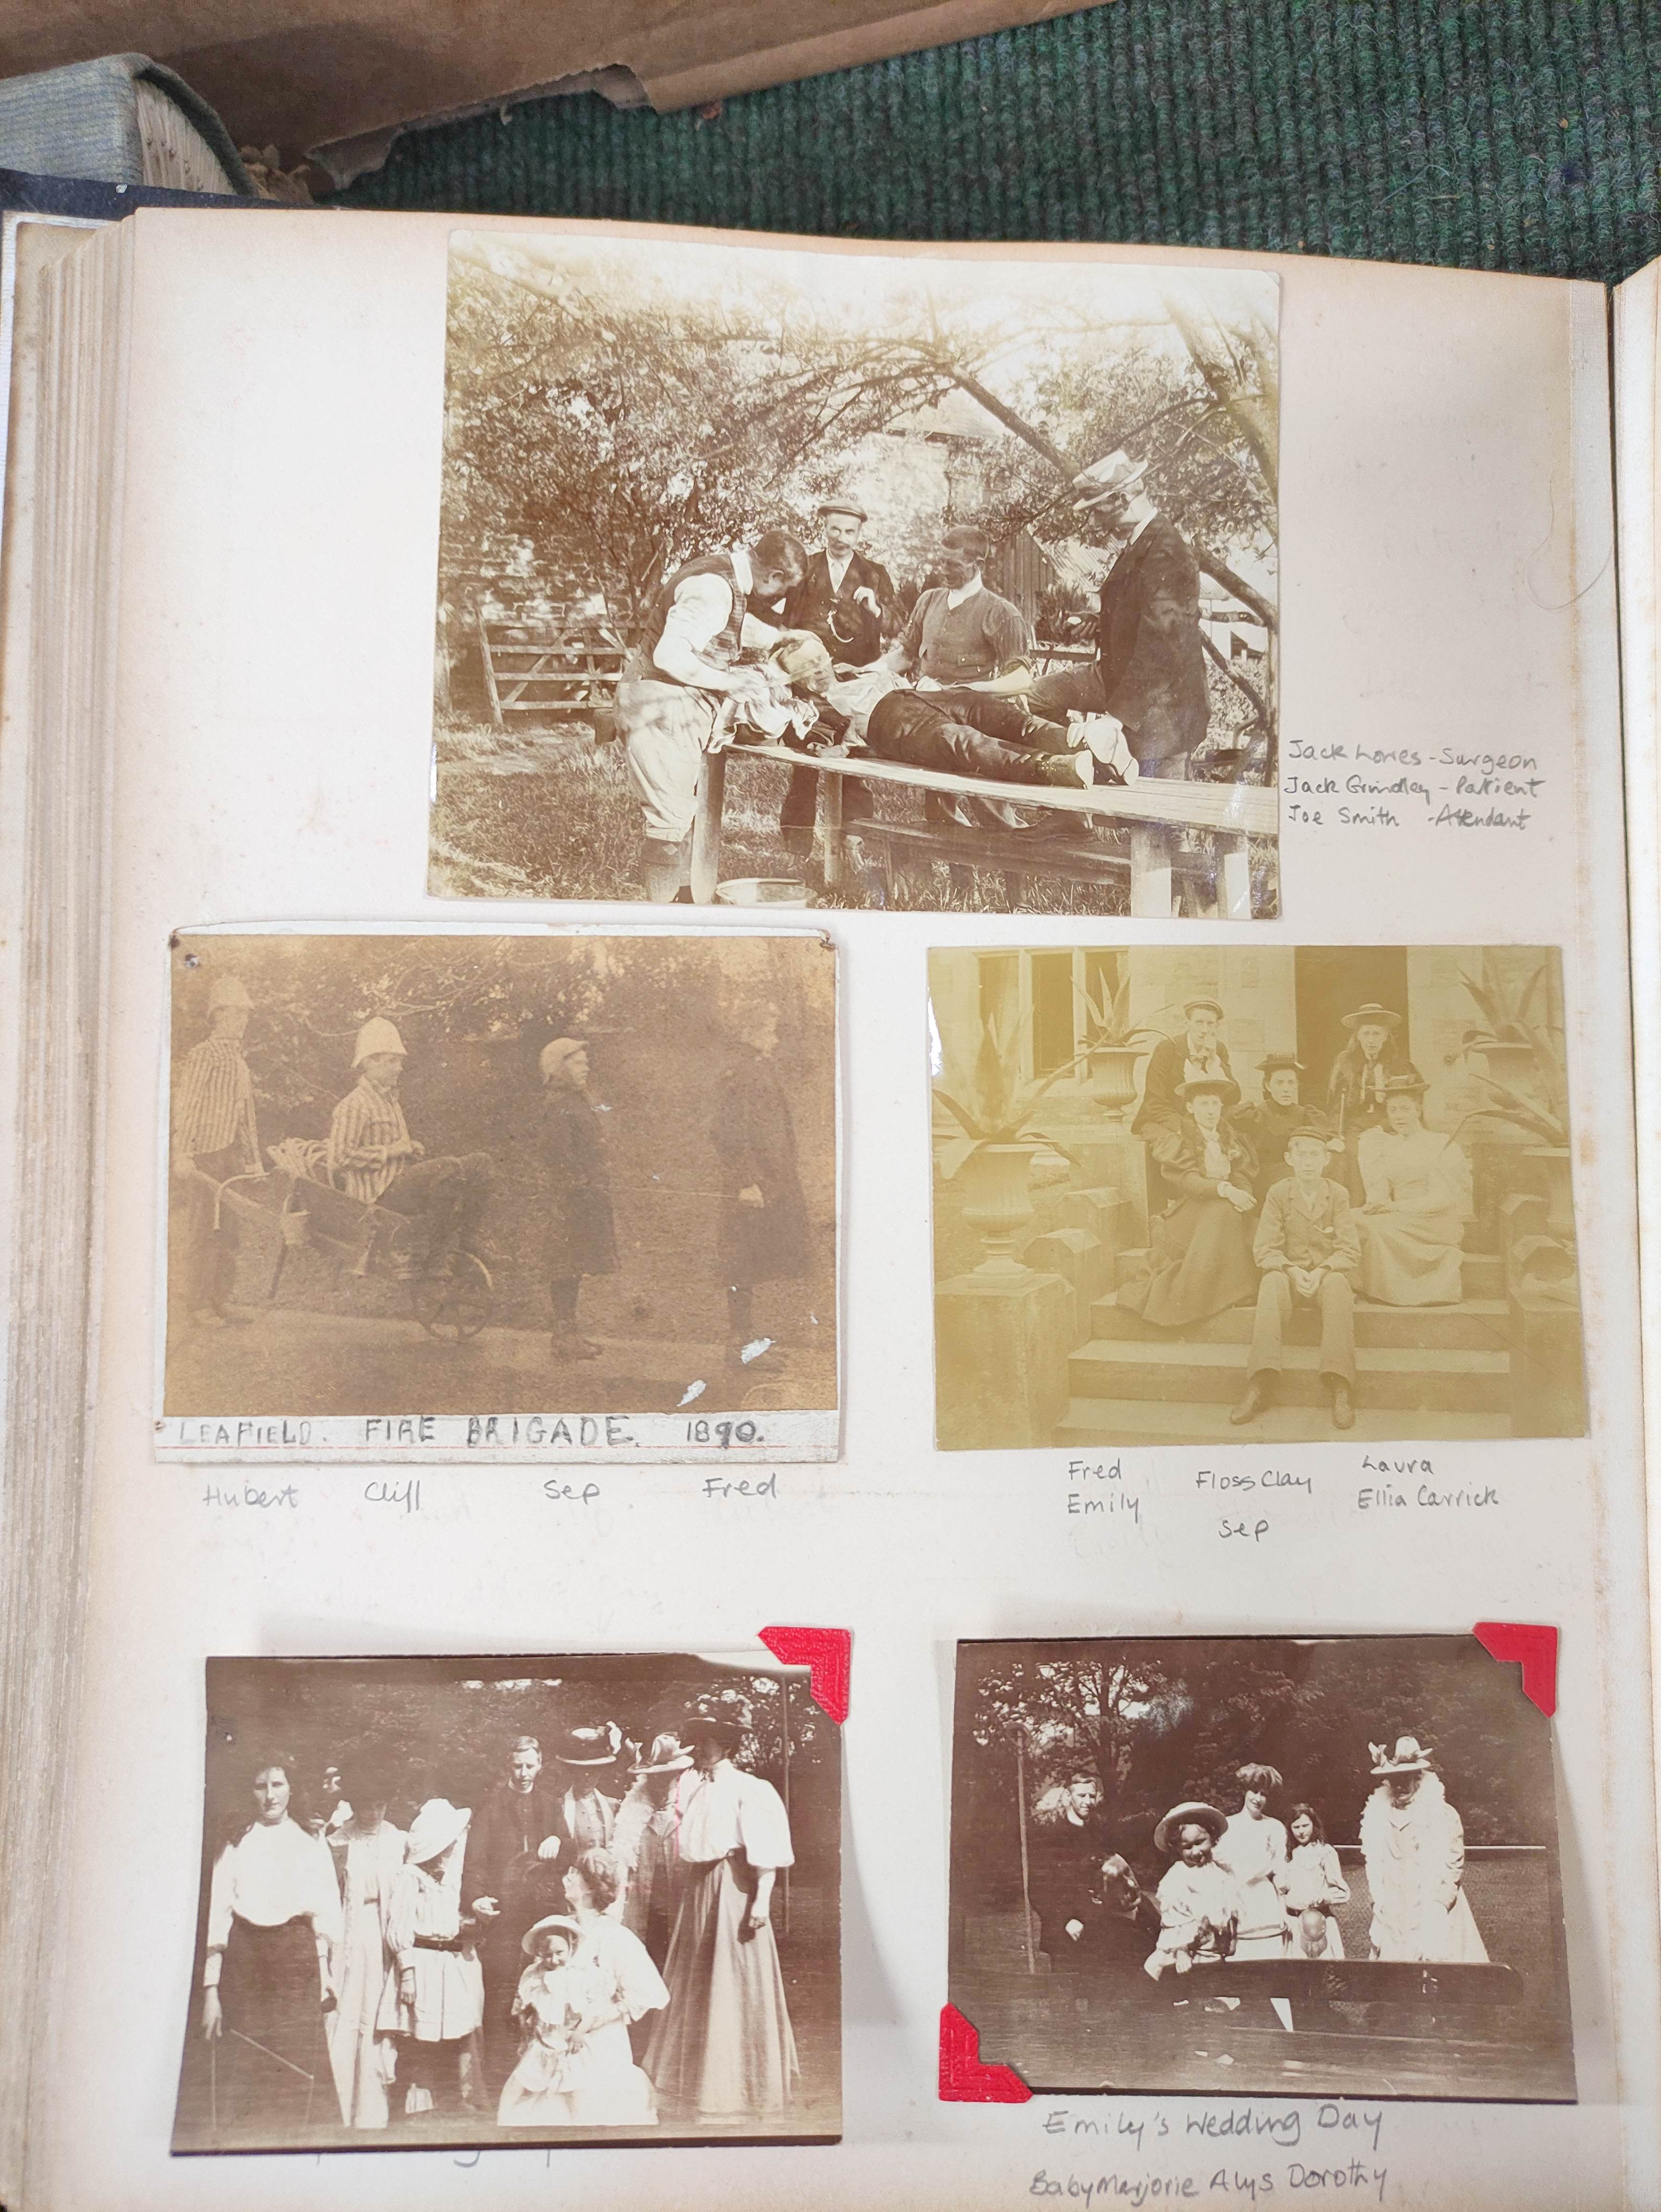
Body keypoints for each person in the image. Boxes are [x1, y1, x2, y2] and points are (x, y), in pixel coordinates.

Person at [616, 529, 809, 902]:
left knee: (680, 812)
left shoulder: (728, 579)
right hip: (661, 702)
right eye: (785, 590)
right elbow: (670, 655)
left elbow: (728, 623)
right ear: (775, 577)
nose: (782, 599)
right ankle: (662, 919)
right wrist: (727, 683)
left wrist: (778, 638)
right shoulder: (713, 587)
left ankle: (685, 901)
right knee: (668, 821)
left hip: (676, 701)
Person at [643, 1696, 799, 2123]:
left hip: (733, 1888)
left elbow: (765, 1854)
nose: (708, 1747)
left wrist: (762, 1901)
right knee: (698, 1980)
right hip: (699, 1891)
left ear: (729, 1744)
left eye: (717, 1740)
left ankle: (739, 2085)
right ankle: (695, 2083)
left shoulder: (751, 1788)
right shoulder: (694, 1789)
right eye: (703, 1740)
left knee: (733, 1981)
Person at [1027, 448, 1211, 780]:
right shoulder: (1141, 543)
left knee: (1155, 827)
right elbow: (1140, 615)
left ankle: (1095, 759)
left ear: (1124, 498)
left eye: (1098, 511)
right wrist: (1098, 622)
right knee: (1039, 696)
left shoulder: (1168, 552)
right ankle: (1079, 769)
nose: (1095, 521)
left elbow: (1160, 647)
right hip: (1121, 680)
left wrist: (1114, 720)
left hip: (1163, 708)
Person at [199, 1756, 342, 2137]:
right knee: (246, 2065)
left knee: (298, 2063)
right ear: (250, 1792)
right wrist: (211, 1992)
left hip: (296, 1962)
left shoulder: (310, 1839)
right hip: (246, 1963)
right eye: (260, 1786)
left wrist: (326, 1973)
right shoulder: (236, 1840)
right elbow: (219, 1917)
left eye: (277, 1785)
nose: (269, 1796)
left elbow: (325, 1913)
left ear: (292, 1788)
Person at [778, 498, 902, 853]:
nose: (841, 538)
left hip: (855, 683)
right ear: (824, 528)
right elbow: (788, 622)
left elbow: (899, 626)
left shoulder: (874, 573)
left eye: (850, 531)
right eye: (835, 529)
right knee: (804, 761)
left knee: (852, 761)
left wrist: (876, 607)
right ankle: (797, 846)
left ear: (860, 532)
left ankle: (854, 841)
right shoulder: (808, 568)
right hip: (810, 683)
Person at [326, 1018, 492, 1278]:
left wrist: (409, 1148)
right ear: (369, 1062)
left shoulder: (390, 1101)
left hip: (400, 1186)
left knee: (482, 1163)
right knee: (448, 1168)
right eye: (392, 1061)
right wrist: (391, 1151)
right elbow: (338, 1157)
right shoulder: (354, 1105)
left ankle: (464, 1240)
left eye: (399, 1061)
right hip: (379, 1197)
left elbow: (398, 1148)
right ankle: (435, 1257)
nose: (400, 1068)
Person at [1230, 1118, 1362, 1431]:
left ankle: (1340, 1384)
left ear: (1327, 1160)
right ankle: (1260, 1381)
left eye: (1315, 1155)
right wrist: (1289, 1269)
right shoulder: (1279, 1193)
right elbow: (1264, 1248)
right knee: (1271, 1282)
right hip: (1290, 1277)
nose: (1308, 1162)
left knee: (1339, 1285)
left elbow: (1350, 1250)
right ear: (1289, 1159)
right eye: (1301, 1155)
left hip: (1324, 1275)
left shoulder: (1338, 1194)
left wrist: (1323, 1270)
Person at [465, 1736, 576, 2090]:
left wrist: (560, 1842)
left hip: (543, 1913)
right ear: (507, 1766)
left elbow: (571, 1851)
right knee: (501, 1992)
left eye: (530, 1765)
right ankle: (501, 2080)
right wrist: (475, 1901)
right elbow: (474, 1863)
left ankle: (550, 2076)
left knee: (548, 1988)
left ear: (540, 1764)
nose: (524, 1773)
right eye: (517, 1766)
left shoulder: (550, 1804)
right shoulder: (491, 1805)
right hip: (504, 1915)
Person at [712, 999, 812, 1360]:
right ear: (750, 1033)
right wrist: (744, 1182)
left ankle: (747, 1340)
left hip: (770, 1180)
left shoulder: (759, 1069)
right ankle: (739, 1344)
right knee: (741, 1260)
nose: (775, 1040)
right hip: (750, 1185)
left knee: (753, 1261)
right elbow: (726, 1132)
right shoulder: (738, 1073)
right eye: (770, 1031)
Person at [1118, 1076, 1258, 1327]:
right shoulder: (1181, 1140)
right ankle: (1198, 1298)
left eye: (1215, 1104)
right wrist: (1225, 1190)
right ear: (1191, 1108)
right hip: (1192, 1211)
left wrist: (1242, 1195)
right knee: (1221, 1211)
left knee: (1233, 1214)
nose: (1211, 1111)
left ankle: (1234, 1290)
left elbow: (1242, 1173)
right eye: (1204, 1104)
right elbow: (1189, 1181)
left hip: (1227, 1205)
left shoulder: (1230, 1137)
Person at [376, 1798, 485, 2121]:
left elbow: (449, 1919)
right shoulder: (411, 1877)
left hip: (447, 1965)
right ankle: (404, 2107)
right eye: (447, 1847)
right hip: (421, 1964)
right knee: (415, 2037)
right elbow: (399, 1927)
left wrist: (468, 1926)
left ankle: (449, 2106)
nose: (452, 1852)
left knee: (451, 2035)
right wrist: (406, 1972)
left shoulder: (449, 1879)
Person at [171, 973, 263, 1330]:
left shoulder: (240, 1063)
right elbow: (189, 1105)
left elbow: (247, 1118)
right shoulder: (204, 1055)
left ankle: (220, 1301)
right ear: (219, 1016)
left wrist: (254, 1161)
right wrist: (184, 1152)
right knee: (202, 1228)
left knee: (228, 1230)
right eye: (237, 1014)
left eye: (245, 1014)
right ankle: (196, 1305)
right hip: (204, 1154)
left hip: (230, 1156)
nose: (243, 1021)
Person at [325, 1759, 406, 2129]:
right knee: (345, 2016)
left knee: (378, 2018)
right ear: (354, 1804)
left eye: (380, 1804)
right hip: (348, 1937)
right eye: (365, 1804)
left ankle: (373, 2113)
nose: (373, 1813)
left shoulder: (399, 1841)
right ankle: (340, 2108)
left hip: (386, 1939)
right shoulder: (337, 1841)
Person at [1359, 1736, 1488, 1963]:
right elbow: (1375, 1866)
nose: (1400, 1786)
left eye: (1405, 1779)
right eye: (1394, 1779)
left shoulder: (1442, 1814)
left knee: (1442, 1972)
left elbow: (1453, 1865)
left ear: (1417, 1778)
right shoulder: (1378, 1818)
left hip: (1434, 1906)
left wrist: (1440, 1905)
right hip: (1396, 1912)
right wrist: (1378, 1902)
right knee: (1396, 1979)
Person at [1356, 1073, 1473, 1307]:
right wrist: (1368, 1150)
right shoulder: (1389, 1145)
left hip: (1435, 1220)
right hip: (1401, 1216)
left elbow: (1442, 1199)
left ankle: (1394, 1291)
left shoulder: (1439, 1143)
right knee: (1352, 1219)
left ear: (1418, 1110)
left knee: (1371, 1227)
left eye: (1405, 1109)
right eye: (1393, 1110)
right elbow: (1379, 1191)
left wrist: (1393, 1207)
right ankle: (1359, 1287)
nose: (1399, 1116)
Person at [537, 1038, 616, 1361]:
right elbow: (558, 1154)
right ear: (560, 1067)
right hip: (568, 1198)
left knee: (575, 1264)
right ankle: (563, 1336)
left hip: (583, 1194)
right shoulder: (557, 1104)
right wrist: (581, 1183)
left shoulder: (576, 1100)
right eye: (579, 1063)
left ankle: (569, 1334)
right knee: (566, 1264)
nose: (587, 1068)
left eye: (586, 1062)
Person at [881, 524, 1033, 692]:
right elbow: (904, 656)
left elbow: (1021, 678)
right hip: (923, 703)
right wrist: (864, 671)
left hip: (968, 711)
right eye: (942, 562)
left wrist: (964, 689)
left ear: (980, 566)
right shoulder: (928, 601)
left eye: (954, 565)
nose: (945, 571)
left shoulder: (1000, 613)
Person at [614, 1734, 694, 1970]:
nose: (659, 1786)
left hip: (678, 1904)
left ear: (677, 1778)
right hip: (643, 1907)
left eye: (665, 1779)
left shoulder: (689, 1813)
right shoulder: (632, 1814)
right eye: (653, 1780)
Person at [1143, 1802, 1240, 1979]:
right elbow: (1174, 1921)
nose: (1195, 1852)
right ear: (1178, 1849)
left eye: (1200, 1842)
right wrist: (1181, 1951)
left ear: (1212, 1837)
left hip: (1214, 1952)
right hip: (1185, 1954)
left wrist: (1231, 1937)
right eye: (1187, 1847)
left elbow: (1229, 1908)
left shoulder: (1221, 1872)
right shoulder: (1178, 1876)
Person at [1326, 1002, 1413, 1198]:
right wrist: (1333, 1134)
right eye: (1366, 1034)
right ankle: (1358, 1205)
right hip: (1355, 1126)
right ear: (1358, 1036)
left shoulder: (1399, 1065)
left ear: (1385, 1037)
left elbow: (1408, 1104)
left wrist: (1383, 1127)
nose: (1371, 1040)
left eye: (1377, 1034)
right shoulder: (1345, 1064)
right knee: (1350, 1154)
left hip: (1389, 1124)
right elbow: (1335, 1105)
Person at [1132, 997, 1239, 1140]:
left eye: (1210, 1024)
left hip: (1202, 1120)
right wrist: (1186, 1128)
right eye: (1199, 1023)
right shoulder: (1167, 1048)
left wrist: (1215, 1060)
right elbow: (1154, 1103)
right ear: (1187, 1024)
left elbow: (1233, 1098)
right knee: (1178, 1147)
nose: (1205, 1030)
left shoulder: (1219, 1049)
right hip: (1164, 1120)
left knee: (1237, 1138)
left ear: (1216, 1027)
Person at [1213, 1764, 1291, 1958]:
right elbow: (1219, 1861)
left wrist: (1284, 1898)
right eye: (1254, 1792)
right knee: (1238, 1952)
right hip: (1235, 1894)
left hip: (1262, 1897)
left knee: (1267, 1950)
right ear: (1245, 1792)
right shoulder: (1228, 1825)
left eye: (1263, 1794)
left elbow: (1280, 1866)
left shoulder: (1274, 1826)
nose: (1258, 1799)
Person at [1283, 1802, 1350, 1959]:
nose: (1301, 1832)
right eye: (1296, 1827)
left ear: (1314, 1825)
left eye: (1305, 1826)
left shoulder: (1325, 1852)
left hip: (1319, 1924)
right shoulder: (1289, 1855)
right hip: (1295, 1924)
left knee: (1324, 1973)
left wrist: (1325, 1896)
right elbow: (1284, 1889)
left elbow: (1343, 1891)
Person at [549, 1722, 625, 1852]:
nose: (587, 1777)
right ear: (571, 1771)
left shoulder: (614, 1806)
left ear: (601, 1771)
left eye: (593, 1771)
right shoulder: (558, 1807)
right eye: (580, 1770)